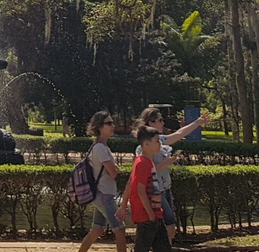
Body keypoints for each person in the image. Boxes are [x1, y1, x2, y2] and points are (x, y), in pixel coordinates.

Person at [128, 107, 209, 242]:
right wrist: (165, 163)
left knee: (168, 229)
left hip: (166, 189)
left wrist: (197, 122)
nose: (163, 123)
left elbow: (178, 135)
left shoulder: (159, 140)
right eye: (160, 120)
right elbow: (144, 173)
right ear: (150, 123)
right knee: (169, 227)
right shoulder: (144, 147)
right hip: (156, 192)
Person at [78, 111, 126, 252]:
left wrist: (114, 168)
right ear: (100, 127)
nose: (113, 126)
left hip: (102, 194)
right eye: (109, 123)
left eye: (112, 122)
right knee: (120, 230)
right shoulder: (100, 148)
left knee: (97, 229)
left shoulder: (101, 147)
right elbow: (113, 173)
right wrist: (116, 169)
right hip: (104, 195)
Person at [125, 126, 172, 252]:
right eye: (157, 141)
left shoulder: (148, 162)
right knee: (142, 248)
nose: (160, 144)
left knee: (164, 248)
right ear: (146, 144)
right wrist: (150, 214)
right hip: (146, 216)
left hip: (155, 214)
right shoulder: (142, 163)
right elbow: (140, 191)